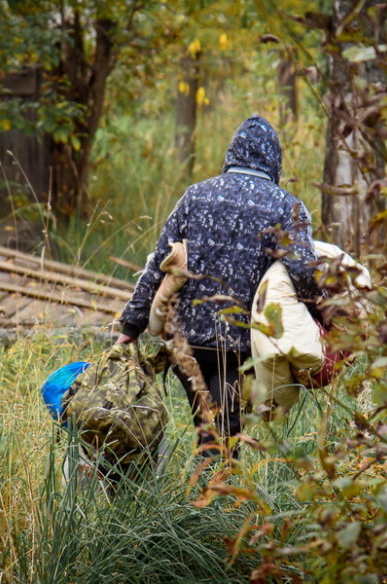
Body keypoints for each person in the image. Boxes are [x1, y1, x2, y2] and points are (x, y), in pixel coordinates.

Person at [116, 115, 323, 458]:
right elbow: (302, 272)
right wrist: (326, 315)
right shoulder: (287, 205)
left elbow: (160, 262)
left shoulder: (195, 195)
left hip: (187, 338)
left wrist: (131, 326)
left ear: (232, 154)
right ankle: (216, 485)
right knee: (225, 430)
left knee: (210, 425)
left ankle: (209, 482)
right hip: (240, 343)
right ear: (274, 160)